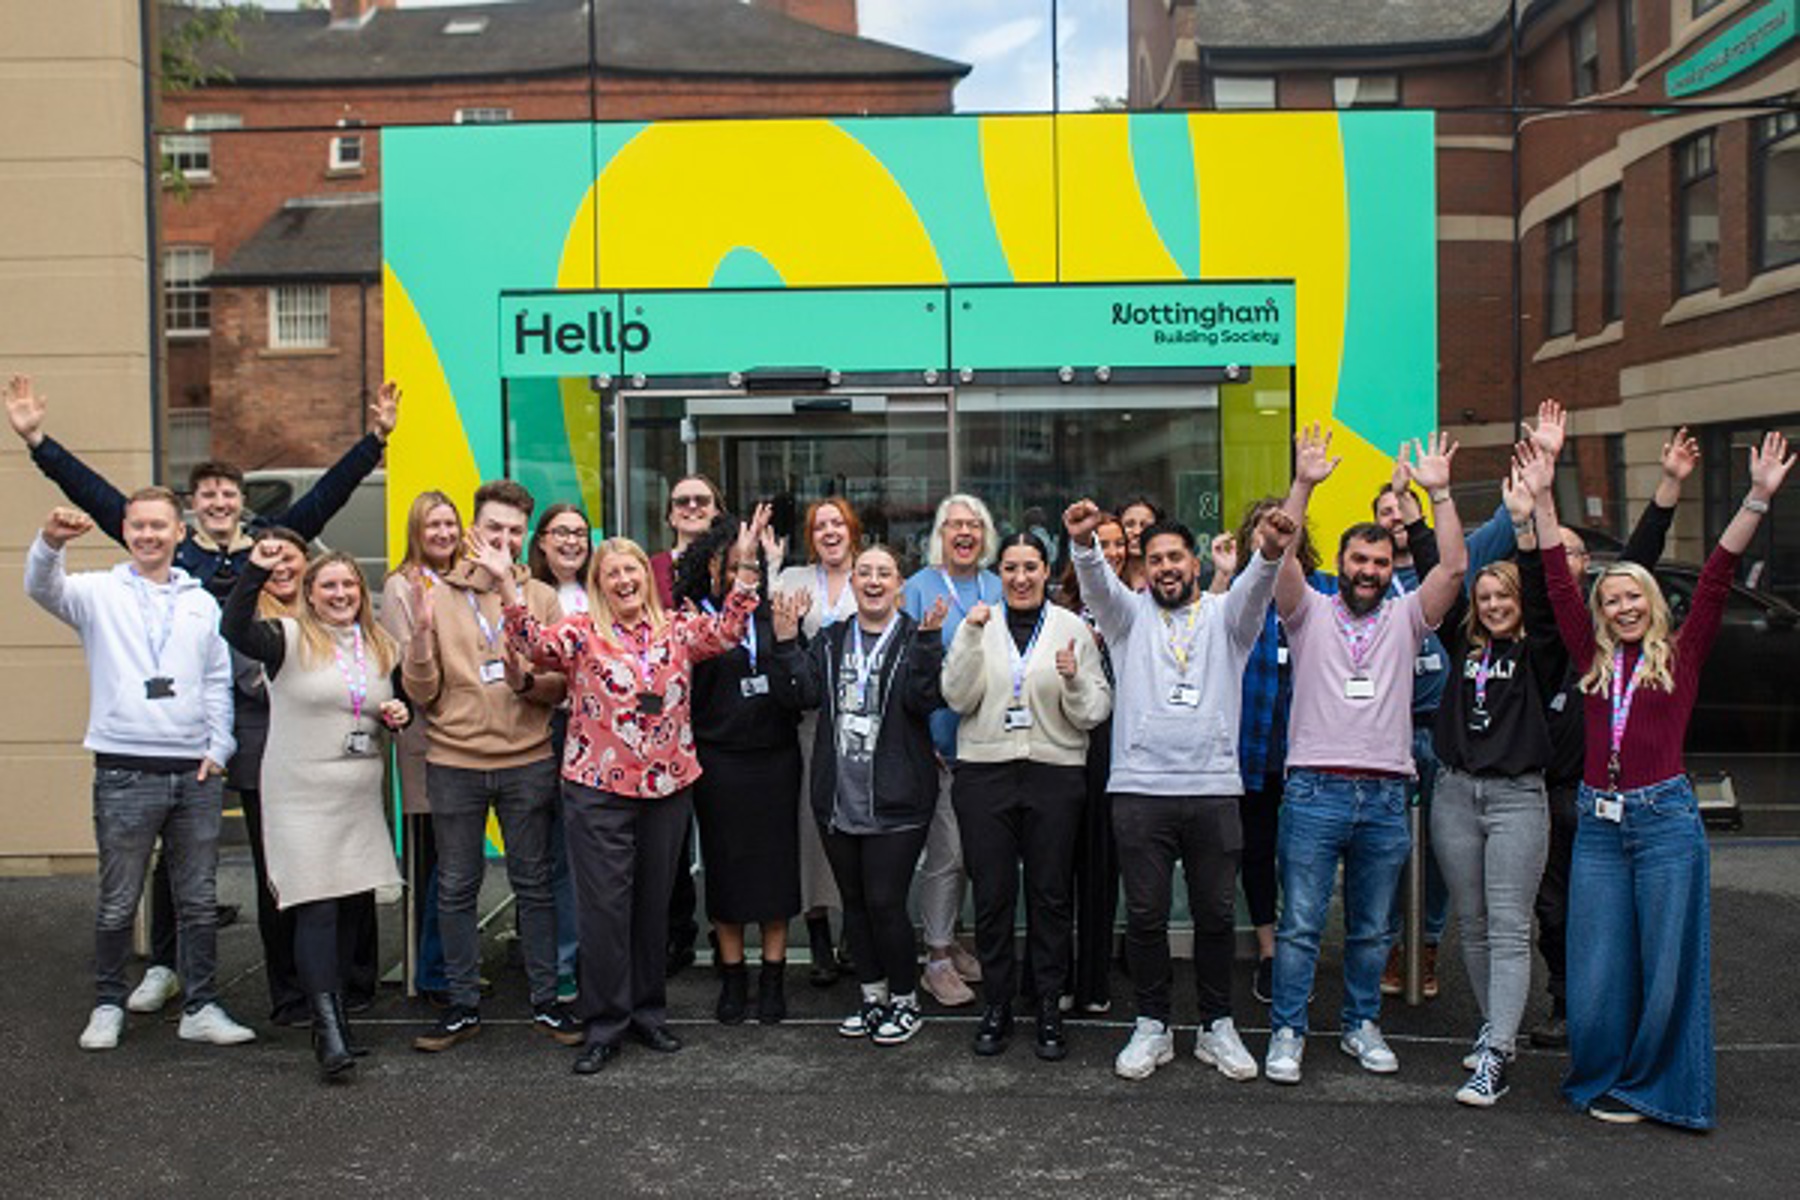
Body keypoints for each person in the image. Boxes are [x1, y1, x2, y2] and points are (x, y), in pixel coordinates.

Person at [5, 372, 400, 1015]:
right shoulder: (175, 553)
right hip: (204, 726)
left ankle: (329, 981)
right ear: (191, 504)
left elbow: (328, 497)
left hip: (286, 723)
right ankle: (166, 963)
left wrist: (374, 441)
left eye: (228, 492)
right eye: (207, 493)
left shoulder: (270, 543)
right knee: (182, 855)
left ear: (243, 501)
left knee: (306, 853)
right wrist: (40, 444)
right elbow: (104, 500)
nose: (218, 501)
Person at [1530, 429, 1792, 1129]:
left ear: (1651, 602)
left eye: (1633, 596)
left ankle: (1657, 1086)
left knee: (1667, 963)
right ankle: (1607, 1074)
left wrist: (1758, 498)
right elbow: (1557, 575)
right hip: (1598, 827)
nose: (1622, 606)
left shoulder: (1682, 653)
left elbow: (1715, 574)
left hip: (1665, 822)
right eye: (1611, 598)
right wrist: (1542, 491)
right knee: (1598, 964)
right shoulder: (1588, 657)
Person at [497, 509, 769, 1074]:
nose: (624, 581)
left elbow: (730, 629)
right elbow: (531, 644)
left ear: (648, 577)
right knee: (604, 911)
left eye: (633, 571)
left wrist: (744, 565)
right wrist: (507, 584)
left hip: (668, 786)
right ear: (599, 583)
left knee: (650, 908)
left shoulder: (679, 628)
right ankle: (604, 1025)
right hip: (597, 789)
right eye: (613, 573)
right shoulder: (581, 633)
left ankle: (649, 1015)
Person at [1067, 489, 1300, 1082]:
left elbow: (1257, 580)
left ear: (1194, 564)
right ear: (1144, 569)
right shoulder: (1125, 619)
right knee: (1144, 917)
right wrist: (1080, 542)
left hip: (1214, 788)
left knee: (1215, 916)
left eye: (1177, 557)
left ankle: (1217, 1026)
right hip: (1141, 790)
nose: (1167, 567)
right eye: (1156, 559)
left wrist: (1269, 552)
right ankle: (1152, 1025)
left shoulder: (1229, 620)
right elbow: (1094, 582)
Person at [1265, 426, 1466, 1086]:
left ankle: (1359, 1025)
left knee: (1373, 930)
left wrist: (1437, 497)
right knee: (1298, 925)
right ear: (1342, 563)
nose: (1369, 572)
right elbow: (1278, 556)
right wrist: (1304, 484)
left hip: (1385, 796)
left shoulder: (1408, 617)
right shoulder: (1307, 611)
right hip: (1316, 792)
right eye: (1359, 561)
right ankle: (1289, 1031)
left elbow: (1454, 569)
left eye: (1380, 564)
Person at [25, 495, 252, 1051]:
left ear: (180, 532)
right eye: (139, 525)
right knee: (117, 899)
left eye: (159, 526)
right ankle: (107, 1003)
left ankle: (200, 1005)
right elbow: (41, 587)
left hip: (195, 773)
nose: (149, 534)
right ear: (125, 531)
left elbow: (218, 678)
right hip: (125, 770)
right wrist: (50, 542)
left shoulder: (201, 602)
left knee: (197, 899)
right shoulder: (98, 592)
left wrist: (219, 747)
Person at [1519, 402, 1688, 1050]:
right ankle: (1568, 1005)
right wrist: (1543, 484)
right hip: (1556, 792)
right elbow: (1542, 586)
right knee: (1556, 914)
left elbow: (1639, 560)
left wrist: (1668, 490)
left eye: (1577, 554)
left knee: (1628, 915)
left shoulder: (1611, 630)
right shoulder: (1548, 633)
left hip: (1622, 799)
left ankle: (1632, 1016)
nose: (1566, 562)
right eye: (1555, 556)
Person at [1402, 461, 1563, 1106]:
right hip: (1455, 794)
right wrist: (1428, 503)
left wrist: (1528, 521)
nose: (1494, 604)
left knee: (1508, 925)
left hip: (1517, 798)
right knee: (1473, 923)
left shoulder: (1541, 653)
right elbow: (1436, 570)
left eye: (1505, 597)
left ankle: (1497, 1053)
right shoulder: (1460, 644)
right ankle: (1495, 1030)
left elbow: (1549, 598)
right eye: (1486, 597)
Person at [222, 543, 409, 1080]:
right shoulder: (284, 640)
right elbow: (232, 627)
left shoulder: (380, 646)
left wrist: (400, 712)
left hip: (355, 796)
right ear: (309, 593)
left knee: (352, 905)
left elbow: (396, 706)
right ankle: (325, 1029)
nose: (340, 594)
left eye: (349, 585)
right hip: (299, 796)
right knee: (316, 906)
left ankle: (341, 1020)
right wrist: (256, 570)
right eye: (328, 586)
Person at [401, 479, 575, 1053]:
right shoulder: (438, 594)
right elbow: (421, 693)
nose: (503, 540)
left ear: (526, 537)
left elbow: (557, 684)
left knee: (535, 883)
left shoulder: (540, 598)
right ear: (475, 530)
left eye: (514, 531)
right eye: (494, 528)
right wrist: (422, 638)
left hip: (527, 759)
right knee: (455, 885)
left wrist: (525, 678)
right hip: (455, 761)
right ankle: (460, 1006)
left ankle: (546, 1003)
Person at [941, 532, 1112, 1059]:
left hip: (1054, 773)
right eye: (1010, 568)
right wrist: (968, 639)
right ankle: (996, 1004)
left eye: (1030, 568)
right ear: (1000, 573)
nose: (1020, 578)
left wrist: (1076, 680)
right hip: (985, 773)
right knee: (992, 896)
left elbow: (1094, 710)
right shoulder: (979, 621)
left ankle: (1046, 1006)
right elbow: (956, 696)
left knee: (1050, 895)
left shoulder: (1071, 627)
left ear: (1046, 571)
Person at [773, 549, 950, 1046]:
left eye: (884, 573)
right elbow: (801, 694)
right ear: (852, 582)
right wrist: (787, 644)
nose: (873, 581)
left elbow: (924, 700)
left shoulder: (916, 635)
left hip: (898, 797)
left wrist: (931, 644)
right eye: (865, 573)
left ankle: (905, 1000)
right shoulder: (830, 639)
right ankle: (872, 998)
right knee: (854, 903)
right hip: (839, 796)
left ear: (899, 584)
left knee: (885, 901)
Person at [1373, 463, 1517, 1000]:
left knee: (1440, 851)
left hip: (1442, 737)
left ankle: (1426, 945)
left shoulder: (1451, 574)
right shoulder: (1366, 582)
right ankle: (1386, 945)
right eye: (1385, 511)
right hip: (1384, 736)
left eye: (1400, 510)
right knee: (1385, 848)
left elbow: (1505, 528)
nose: (1394, 518)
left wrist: (1525, 489)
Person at [676, 518, 805, 1025]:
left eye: (747, 568)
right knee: (726, 871)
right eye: (732, 568)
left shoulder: (777, 617)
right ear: (714, 569)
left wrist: (793, 640)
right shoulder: (693, 619)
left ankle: (773, 976)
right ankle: (733, 976)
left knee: (776, 870)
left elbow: (800, 684)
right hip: (719, 760)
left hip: (775, 758)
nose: (739, 576)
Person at [1219, 497, 1327, 1007]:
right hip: (1252, 746)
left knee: (1303, 856)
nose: (1278, 536)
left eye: (1286, 528)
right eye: (1267, 529)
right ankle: (1268, 952)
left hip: (1310, 747)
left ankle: (1299, 950)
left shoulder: (1326, 591)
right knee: (1257, 852)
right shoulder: (1241, 594)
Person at [902, 494, 1001, 1008]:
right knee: (946, 855)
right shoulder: (917, 590)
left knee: (971, 853)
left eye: (974, 525)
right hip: (939, 746)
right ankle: (935, 958)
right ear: (940, 534)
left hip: (990, 743)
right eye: (954, 525)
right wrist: (922, 739)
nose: (964, 533)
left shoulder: (999, 586)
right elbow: (907, 671)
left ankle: (952, 938)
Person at [773, 497, 862, 987]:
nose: (830, 531)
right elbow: (774, 633)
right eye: (820, 525)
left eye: (837, 523)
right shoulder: (791, 581)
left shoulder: (872, 573)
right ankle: (820, 939)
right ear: (812, 537)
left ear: (852, 530)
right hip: (809, 727)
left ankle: (856, 930)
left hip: (862, 727)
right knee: (811, 830)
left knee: (859, 824)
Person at [378, 490, 461, 1005]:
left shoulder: (469, 579)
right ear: (416, 530)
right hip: (429, 737)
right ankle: (432, 971)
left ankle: (450, 962)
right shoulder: (401, 586)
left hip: (470, 737)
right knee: (434, 861)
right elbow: (406, 666)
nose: (443, 534)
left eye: (450, 524)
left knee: (459, 860)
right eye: (433, 525)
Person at [647, 472, 727, 975]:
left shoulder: (733, 565)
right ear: (670, 513)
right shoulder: (650, 567)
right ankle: (675, 934)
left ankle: (727, 933)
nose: (693, 507)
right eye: (683, 501)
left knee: (722, 833)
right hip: (663, 721)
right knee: (668, 841)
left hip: (721, 717)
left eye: (703, 499)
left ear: (717, 509)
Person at [1053, 512, 1128, 1015]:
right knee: (1057, 870)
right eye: (1102, 542)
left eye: (1120, 543)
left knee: (1103, 869)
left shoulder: (1141, 607)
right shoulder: (1057, 608)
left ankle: (1094, 980)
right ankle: (1054, 975)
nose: (1113, 550)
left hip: (1116, 748)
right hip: (1061, 744)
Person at [528, 502, 593, 1002]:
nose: (571, 542)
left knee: (585, 855)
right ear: (542, 541)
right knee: (551, 855)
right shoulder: (527, 595)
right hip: (543, 727)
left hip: (597, 733)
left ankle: (583, 955)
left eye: (580, 533)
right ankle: (557, 962)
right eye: (561, 533)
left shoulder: (600, 592)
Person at [1115, 496, 1164, 593]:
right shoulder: (1108, 574)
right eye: (1129, 524)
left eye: (1145, 526)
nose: (1137, 532)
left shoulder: (1166, 576)